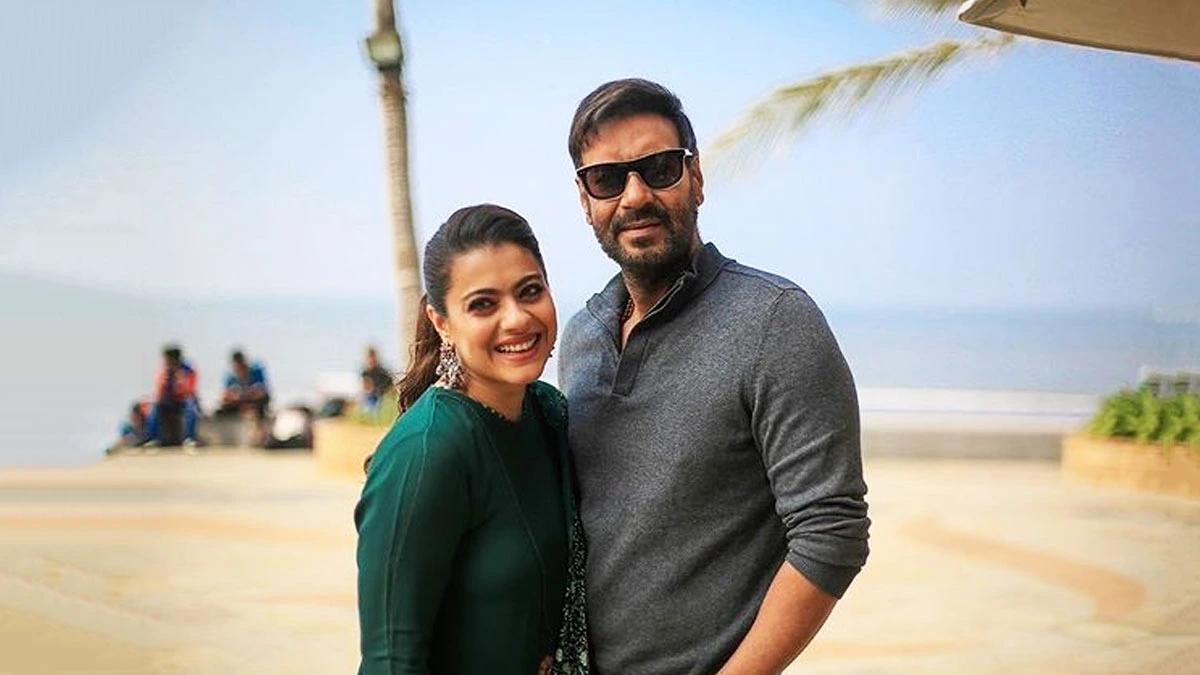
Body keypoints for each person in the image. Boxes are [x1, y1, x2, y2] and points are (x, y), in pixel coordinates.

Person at [558, 78, 871, 674]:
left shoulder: (775, 320)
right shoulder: (580, 337)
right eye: (607, 179)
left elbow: (833, 532)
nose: (634, 196)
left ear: (696, 177)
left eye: (659, 169)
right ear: (584, 198)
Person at [355, 204, 588, 675]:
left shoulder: (549, 413)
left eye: (530, 291)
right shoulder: (427, 452)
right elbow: (390, 661)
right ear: (441, 321)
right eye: (483, 304)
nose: (516, 318)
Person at [145, 344, 200, 448]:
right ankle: (153, 438)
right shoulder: (164, 370)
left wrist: (180, 379)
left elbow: (190, 391)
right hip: (167, 401)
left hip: (182, 401)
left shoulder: (188, 370)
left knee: (191, 407)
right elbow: (159, 391)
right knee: (154, 408)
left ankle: (190, 438)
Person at [219, 350, 271, 420]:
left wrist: (246, 395)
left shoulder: (256, 370)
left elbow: (262, 390)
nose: (240, 366)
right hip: (238, 403)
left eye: (241, 362)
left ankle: (262, 421)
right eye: (237, 364)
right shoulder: (230, 377)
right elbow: (225, 396)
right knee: (222, 410)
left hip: (255, 402)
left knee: (262, 400)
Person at [359, 345, 394, 413]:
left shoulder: (383, 372)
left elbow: (390, 386)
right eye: (369, 357)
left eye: (372, 357)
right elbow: (365, 388)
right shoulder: (365, 372)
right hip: (370, 397)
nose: (371, 360)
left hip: (382, 396)